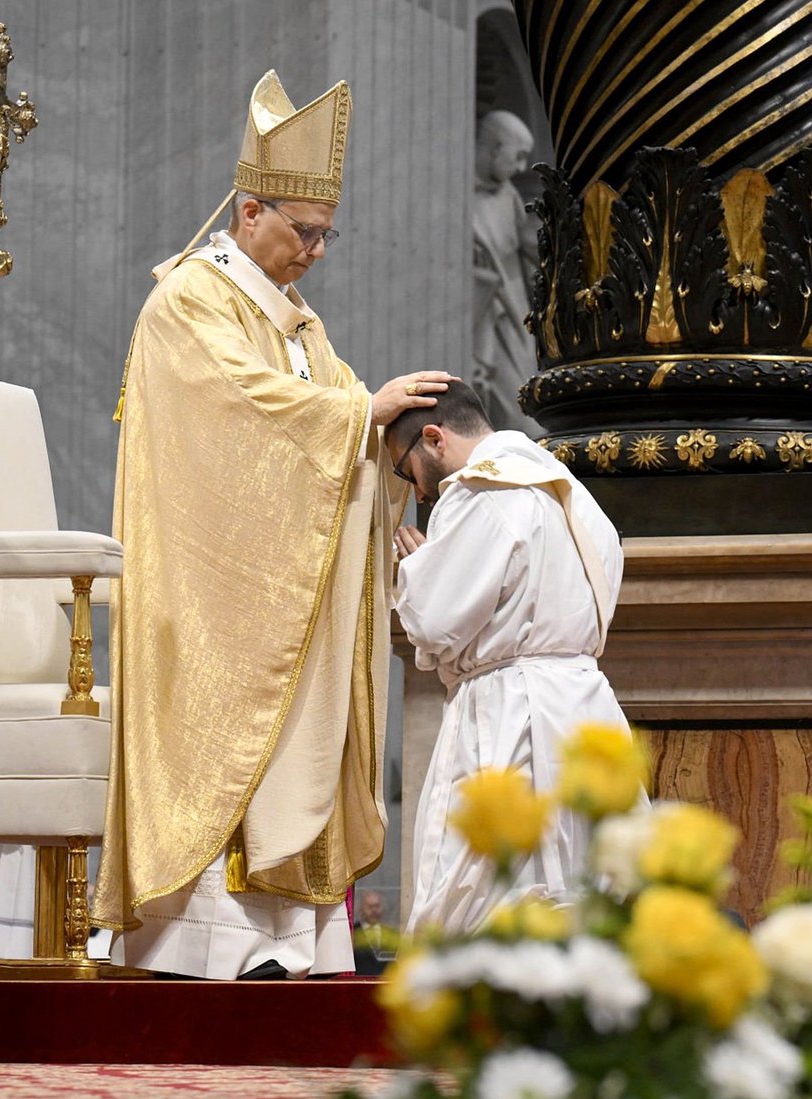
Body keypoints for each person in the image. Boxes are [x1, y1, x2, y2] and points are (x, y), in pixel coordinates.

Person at [91, 69, 452, 980]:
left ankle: (284, 944)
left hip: (280, 588)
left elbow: (335, 412)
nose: (318, 253)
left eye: (329, 235)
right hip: (211, 591)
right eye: (305, 232)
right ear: (250, 212)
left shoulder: (298, 323)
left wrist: (394, 453)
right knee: (229, 728)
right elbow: (241, 411)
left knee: (296, 729)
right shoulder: (190, 303)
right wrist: (358, 418)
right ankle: (200, 941)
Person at [389, 380, 646, 935]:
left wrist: (416, 570)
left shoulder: (479, 493)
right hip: (586, 705)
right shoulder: (574, 494)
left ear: (433, 438)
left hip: (512, 709)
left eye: (404, 471)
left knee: (484, 889)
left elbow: (433, 621)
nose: (418, 492)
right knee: (588, 879)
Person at [472, 110, 544, 438]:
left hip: (516, 314)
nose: (518, 168)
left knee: (528, 403)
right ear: (495, 147)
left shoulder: (507, 194)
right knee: (518, 418)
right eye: (517, 157)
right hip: (487, 318)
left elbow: (527, 245)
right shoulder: (458, 196)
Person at [352, 889, 396, 976]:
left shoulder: (391, 934)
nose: (374, 910)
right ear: (361, 909)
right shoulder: (353, 933)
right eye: (370, 906)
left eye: (377, 906)